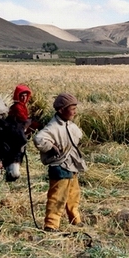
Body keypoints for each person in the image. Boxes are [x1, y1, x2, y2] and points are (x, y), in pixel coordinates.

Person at [33, 93, 88, 232]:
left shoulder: (69, 125)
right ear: (61, 110)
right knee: (57, 196)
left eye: (76, 108)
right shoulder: (53, 127)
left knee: (73, 194)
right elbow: (38, 139)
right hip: (59, 166)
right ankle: (51, 224)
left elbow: (77, 136)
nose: (75, 111)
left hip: (71, 165)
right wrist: (51, 147)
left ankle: (75, 219)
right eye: (72, 108)